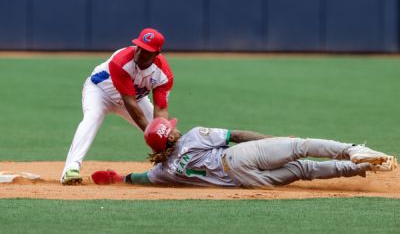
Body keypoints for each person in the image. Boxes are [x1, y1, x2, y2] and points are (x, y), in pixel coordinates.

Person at [91, 118, 398, 188]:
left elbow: (140, 177)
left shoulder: (163, 172)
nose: (174, 127)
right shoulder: (194, 136)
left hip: (247, 182)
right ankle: (355, 152)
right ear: (170, 135)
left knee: (303, 169)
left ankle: (362, 169)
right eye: (170, 128)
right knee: (299, 147)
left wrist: (120, 177)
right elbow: (237, 136)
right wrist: (274, 140)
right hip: (239, 158)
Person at [61, 28, 174, 185]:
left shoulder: (163, 74)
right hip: (100, 92)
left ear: (156, 54)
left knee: (166, 134)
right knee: (92, 118)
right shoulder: (121, 61)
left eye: (147, 51)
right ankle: (70, 169)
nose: (140, 52)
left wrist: (161, 137)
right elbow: (130, 103)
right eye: (139, 46)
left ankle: (173, 170)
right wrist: (153, 137)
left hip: (136, 98)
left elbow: (161, 110)